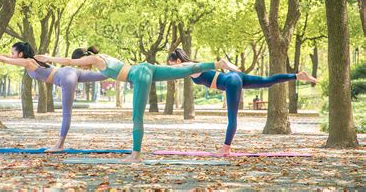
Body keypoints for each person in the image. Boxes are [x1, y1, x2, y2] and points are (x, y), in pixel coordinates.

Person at [35, 46, 240, 162]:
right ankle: (219, 64)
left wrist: (49, 58)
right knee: (185, 69)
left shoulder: (96, 59)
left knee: (137, 116)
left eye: (83, 63)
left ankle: (136, 154)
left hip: (140, 74)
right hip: (145, 68)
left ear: (85, 57)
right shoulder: (103, 57)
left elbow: (70, 62)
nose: (84, 66)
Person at [168, 48, 318, 155]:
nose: (171, 69)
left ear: (179, 60)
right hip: (234, 77)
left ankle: (226, 148)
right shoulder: (191, 67)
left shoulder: (187, 66)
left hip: (230, 81)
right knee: (266, 81)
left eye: (171, 65)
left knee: (232, 118)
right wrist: (230, 68)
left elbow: (179, 69)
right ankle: (297, 76)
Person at [0, 42, 108, 151]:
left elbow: (3, 60)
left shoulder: (27, 62)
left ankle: (59, 145)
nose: (10, 55)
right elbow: (4, 56)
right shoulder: (32, 59)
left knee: (67, 114)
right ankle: (121, 69)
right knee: (105, 74)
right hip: (70, 72)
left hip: (66, 78)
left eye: (13, 53)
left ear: (20, 54)